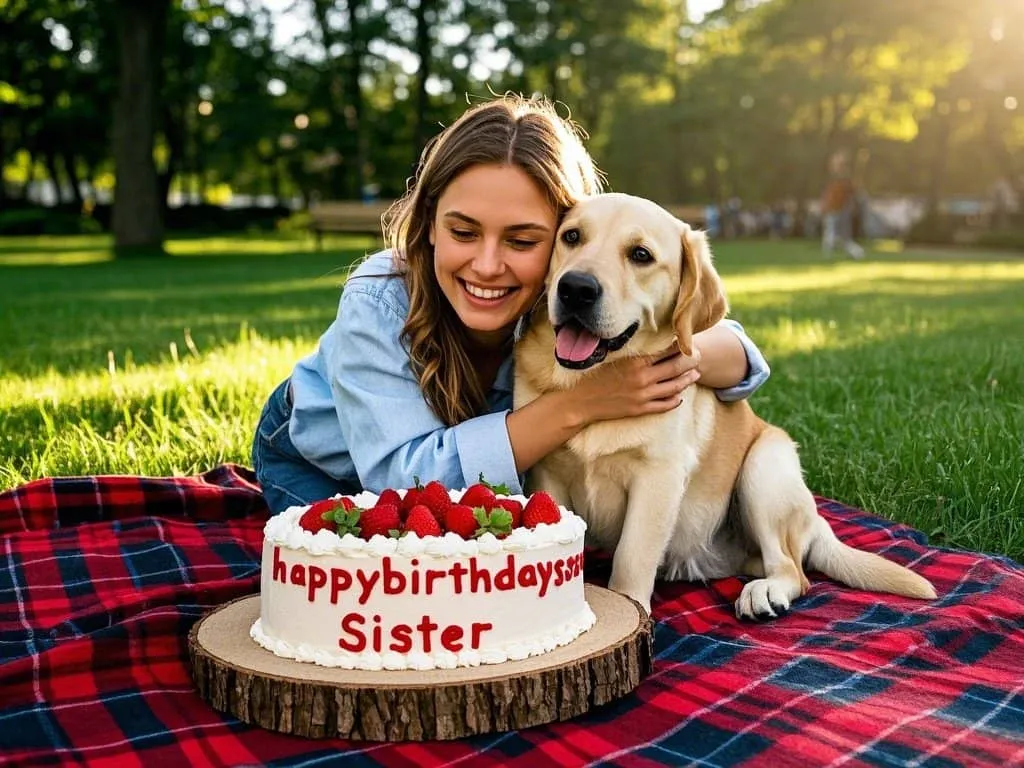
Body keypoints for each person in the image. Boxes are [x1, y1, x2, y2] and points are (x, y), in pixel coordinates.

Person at [251, 95, 771, 515]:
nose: (487, 265)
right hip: (322, 462)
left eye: (523, 241)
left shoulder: (572, 296)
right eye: (463, 231)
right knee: (399, 576)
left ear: (566, 241)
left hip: (466, 477)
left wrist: (666, 362)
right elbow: (402, 484)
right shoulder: (379, 298)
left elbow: (742, 357)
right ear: (429, 223)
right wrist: (584, 401)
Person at [820, 151, 865, 259]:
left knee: (839, 236)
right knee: (832, 233)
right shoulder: (835, 180)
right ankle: (831, 252)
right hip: (834, 210)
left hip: (840, 210)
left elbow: (852, 193)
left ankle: (856, 252)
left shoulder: (844, 179)